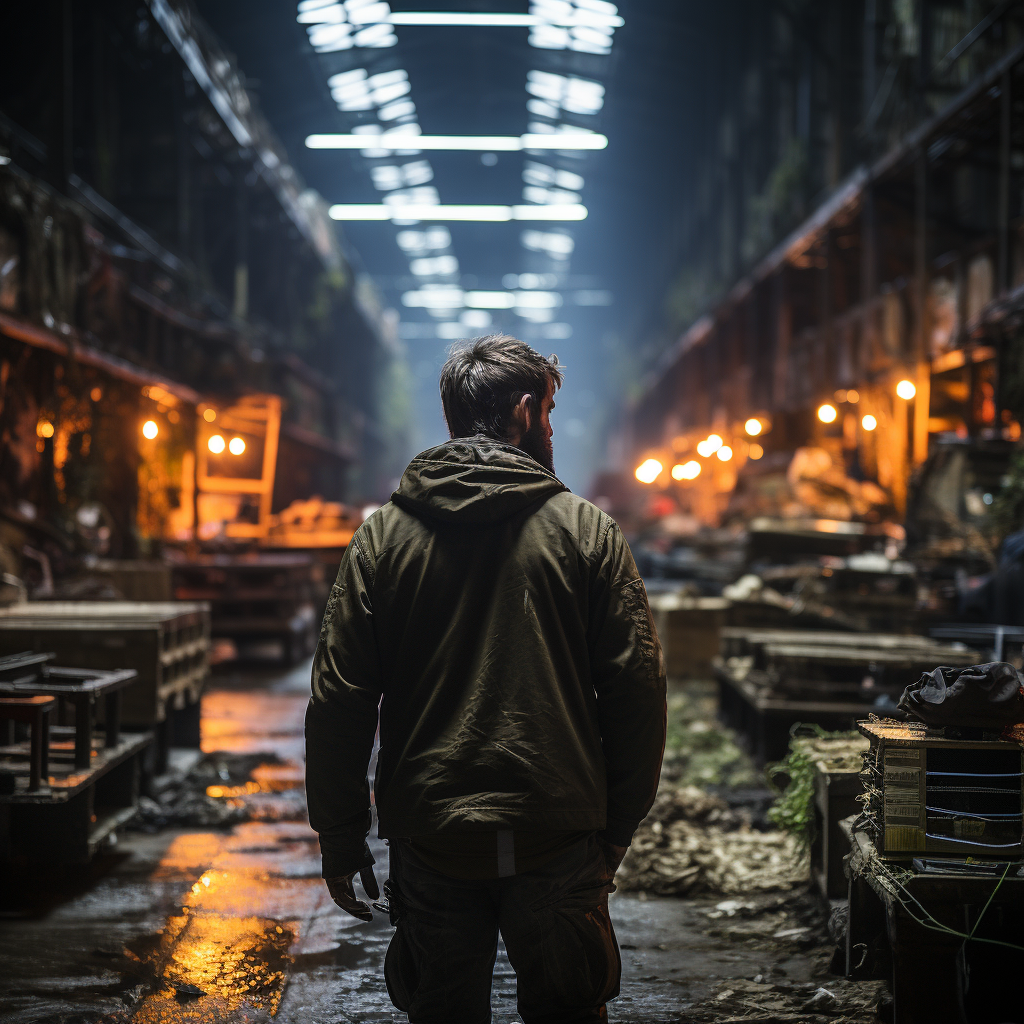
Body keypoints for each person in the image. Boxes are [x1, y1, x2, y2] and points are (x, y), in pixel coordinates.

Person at [305, 334, 666, 1024]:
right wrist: (618, 826)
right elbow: (637, 692)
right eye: (551, 414)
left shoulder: (382, 538)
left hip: (433, 834)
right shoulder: (586, 532)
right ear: (526, 412)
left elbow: (340, 700)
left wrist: (341, 835)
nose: (552, 430)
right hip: (556, 834)